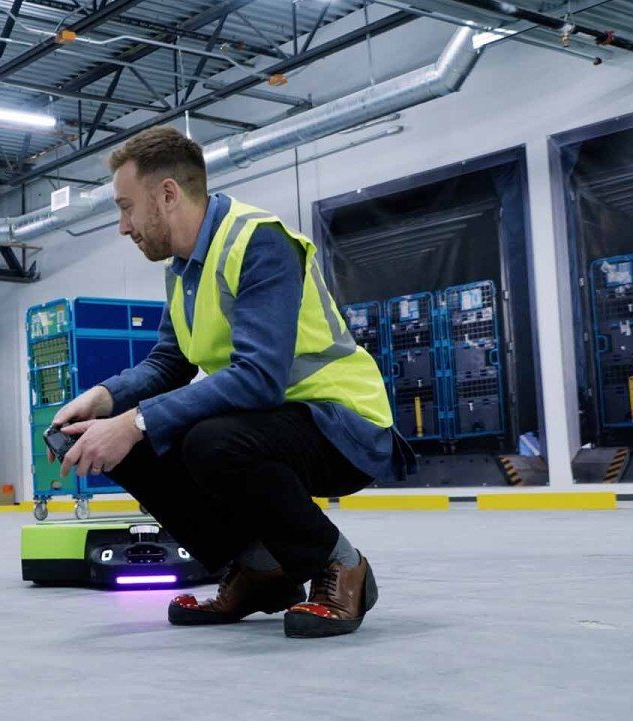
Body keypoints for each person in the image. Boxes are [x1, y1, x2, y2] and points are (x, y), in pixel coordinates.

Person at [50, 125, 414, 639]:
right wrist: (103, 401)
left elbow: (260, 379)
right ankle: (261, 572)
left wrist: (135, 420)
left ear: (168, 194)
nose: (122, 226)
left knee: (210, 441)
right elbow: (167, 365)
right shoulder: (182, 270)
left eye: (127, 207)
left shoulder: (259, 241)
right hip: (272, 425)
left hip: (341, 425)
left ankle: (342, 566)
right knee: (131, 446)